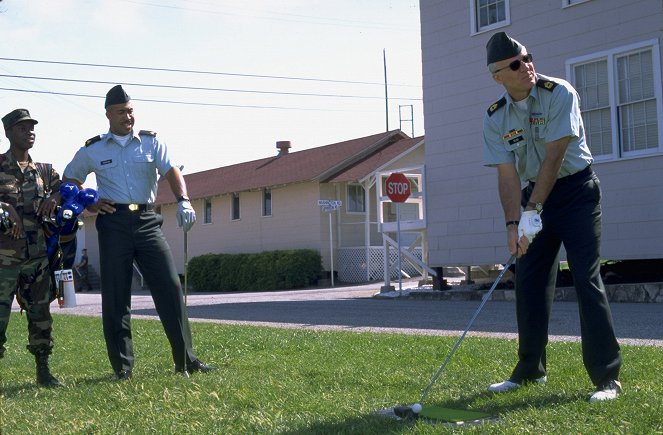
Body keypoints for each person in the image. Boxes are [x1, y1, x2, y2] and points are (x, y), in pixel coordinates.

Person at [482, 32, 622, 402]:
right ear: (498, 76)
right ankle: (530, 370)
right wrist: (513, 225)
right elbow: (507, 176)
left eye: (527, 57)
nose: (525, 66)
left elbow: (555, 155)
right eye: (515, 64)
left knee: (584, 277)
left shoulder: (559, 93)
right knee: (527, 279)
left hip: (577, 192)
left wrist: (532, 211)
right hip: (533, 196)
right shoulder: (496, 118)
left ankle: (607, 378)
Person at [63, 85, 213, 380]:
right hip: (113, 224)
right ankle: (122, 368)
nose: (127, 116)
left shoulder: (151, 142)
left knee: (170, 287)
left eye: (130, 110)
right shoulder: (93, 149)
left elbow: (171, 171)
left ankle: (186, 360)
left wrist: (184, 200)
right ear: (108, 114)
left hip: (146, 220)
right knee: (117, 296)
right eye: (121, 112)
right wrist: (90, 201)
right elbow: (69, 179)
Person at [0, 108, 63, 387]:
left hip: (37, 257)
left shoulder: (45, 171)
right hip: (4, 259)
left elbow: (68, 190)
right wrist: (2, 206)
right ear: (8, 132)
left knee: (41, 315)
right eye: (23, 128)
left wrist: (56, 197)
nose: (30, 132)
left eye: (32, 127)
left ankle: (43, 371)